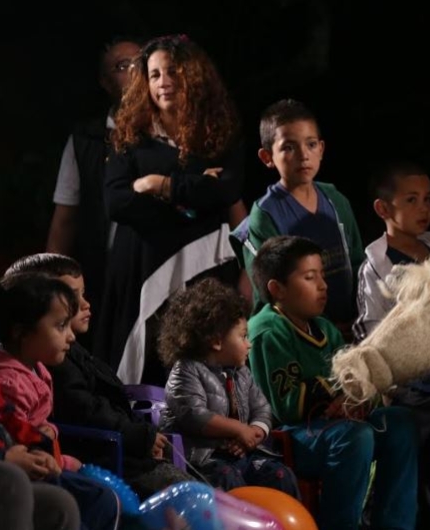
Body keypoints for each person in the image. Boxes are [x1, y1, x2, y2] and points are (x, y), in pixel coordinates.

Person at [100, 34, 245, 386]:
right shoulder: (131, 135)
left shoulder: (220, 134)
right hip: (143, 269)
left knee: (205, 367)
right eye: (154, 75)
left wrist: (157, 185)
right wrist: (194, 195)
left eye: (172, 72)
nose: (163, 82)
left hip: (204, 269)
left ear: (193, 76)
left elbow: (228, 189)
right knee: (147, 369)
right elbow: (117, 202)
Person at [248, 235, 418, 530]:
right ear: (278, 289)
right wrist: (340, 395)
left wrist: (356, 400)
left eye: (322, 276)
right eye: (309, 277)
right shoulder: (267, 330)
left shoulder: (324, 327)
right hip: (292, 436)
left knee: (399, 422)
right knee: (356, 436)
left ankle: (395, 524)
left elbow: (358, 382)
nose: (323, 286)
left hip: (337, 426)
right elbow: (288, 405)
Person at [4, 253, 193, 498]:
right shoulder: (52, 365)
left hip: (123, 452)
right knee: (188, 496)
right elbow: (88, 412)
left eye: (83, 293)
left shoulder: (72, 352)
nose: (85, 304)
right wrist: (140, 437)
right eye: (71, 297)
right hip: (106, 461)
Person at [354, 161, 430, 528]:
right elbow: (372, 329)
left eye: (427, 199)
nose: (424, 208)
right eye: (411, 199)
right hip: (409, 391)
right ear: (384, 209)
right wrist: (387, 385)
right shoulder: (376, 265)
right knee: (403, 474)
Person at [0, 273, 121, 530]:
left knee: (104, 498)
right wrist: (44, 448)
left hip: (38, 457)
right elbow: (10, 433)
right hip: (25, 465)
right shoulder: (8, 380)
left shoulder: (35, 367)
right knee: (93, 502)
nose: (71, 336)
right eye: (60, 326)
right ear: (22, 333)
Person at [230, 99, 364, 339]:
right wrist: (320, 329)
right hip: (302, 338)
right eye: (289, 147)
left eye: (311, 144)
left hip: (351, 329)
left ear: (321, 149)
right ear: (267, 156)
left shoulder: (336, 201)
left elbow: (357, 264)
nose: (304, 155)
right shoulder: (265, 215)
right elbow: (270, 294)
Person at [158, 277, 299, 496]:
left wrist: (253, 433)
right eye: (243, 336)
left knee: (280, 475)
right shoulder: (186, 370)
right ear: (216, 341)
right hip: (200, 461)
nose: (249, 343)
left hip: (241, 454)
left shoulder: (241, 372)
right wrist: (239, 429)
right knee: (226, 478)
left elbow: (262, 408)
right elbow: (194, 415)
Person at [45, 37, 143, 349]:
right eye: (121, 66)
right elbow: (65, 220)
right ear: (104, 81)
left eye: (140, 62)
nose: (134, 72)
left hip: (152, 271)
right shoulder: (85, 139)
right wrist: (49, 284)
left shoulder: (170, 133)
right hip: (102, 274)